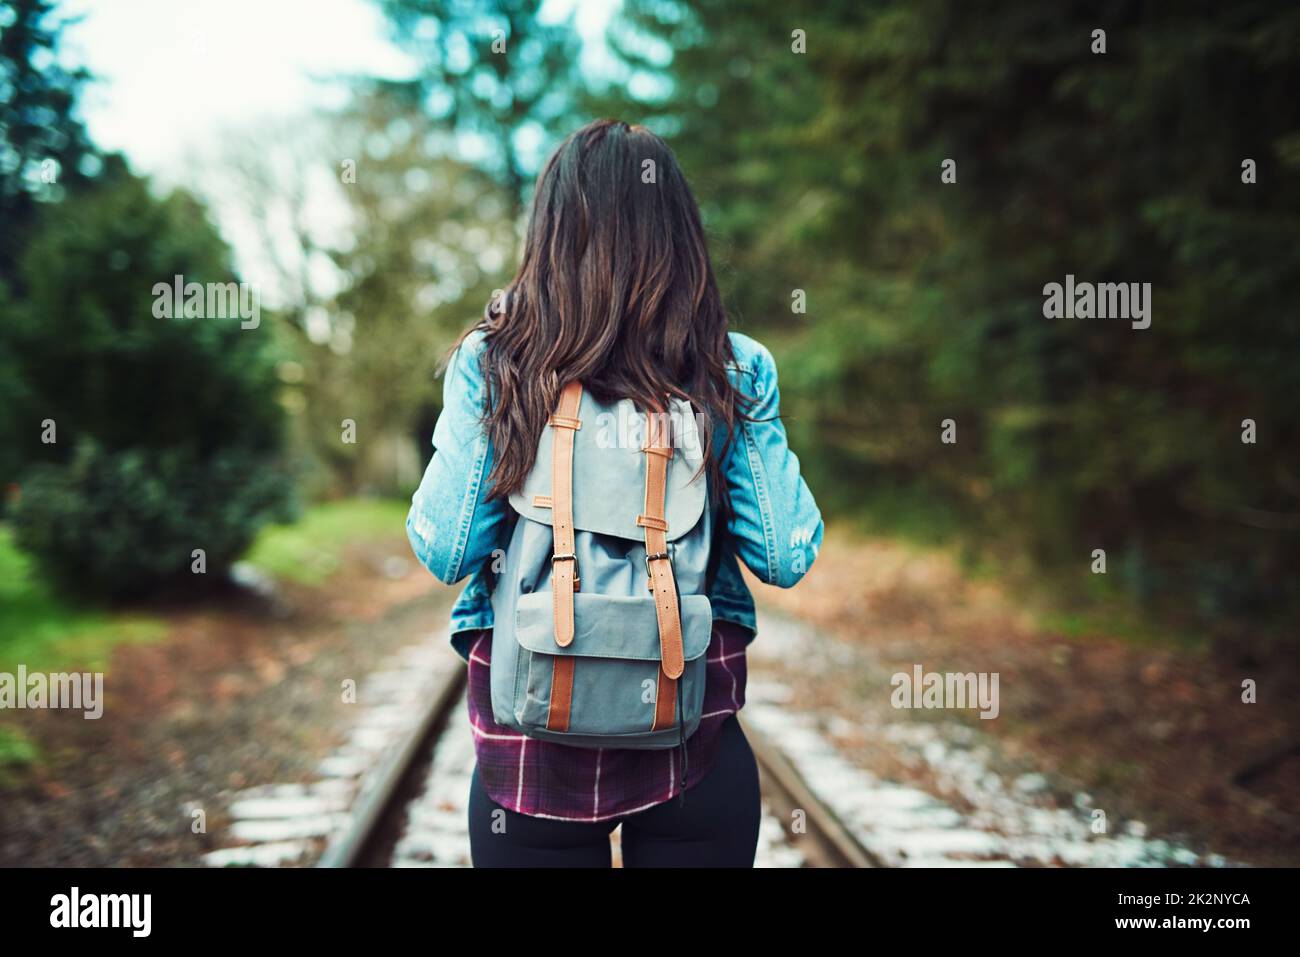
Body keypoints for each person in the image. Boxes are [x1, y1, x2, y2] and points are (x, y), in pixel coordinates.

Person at [406, 119, 823, 867]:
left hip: (530, 754)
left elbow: (445, 547)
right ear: (680, 236)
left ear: (553, 234)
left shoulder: (497, 363)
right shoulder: (730, 368)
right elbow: (786, 553)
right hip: (691, 747)